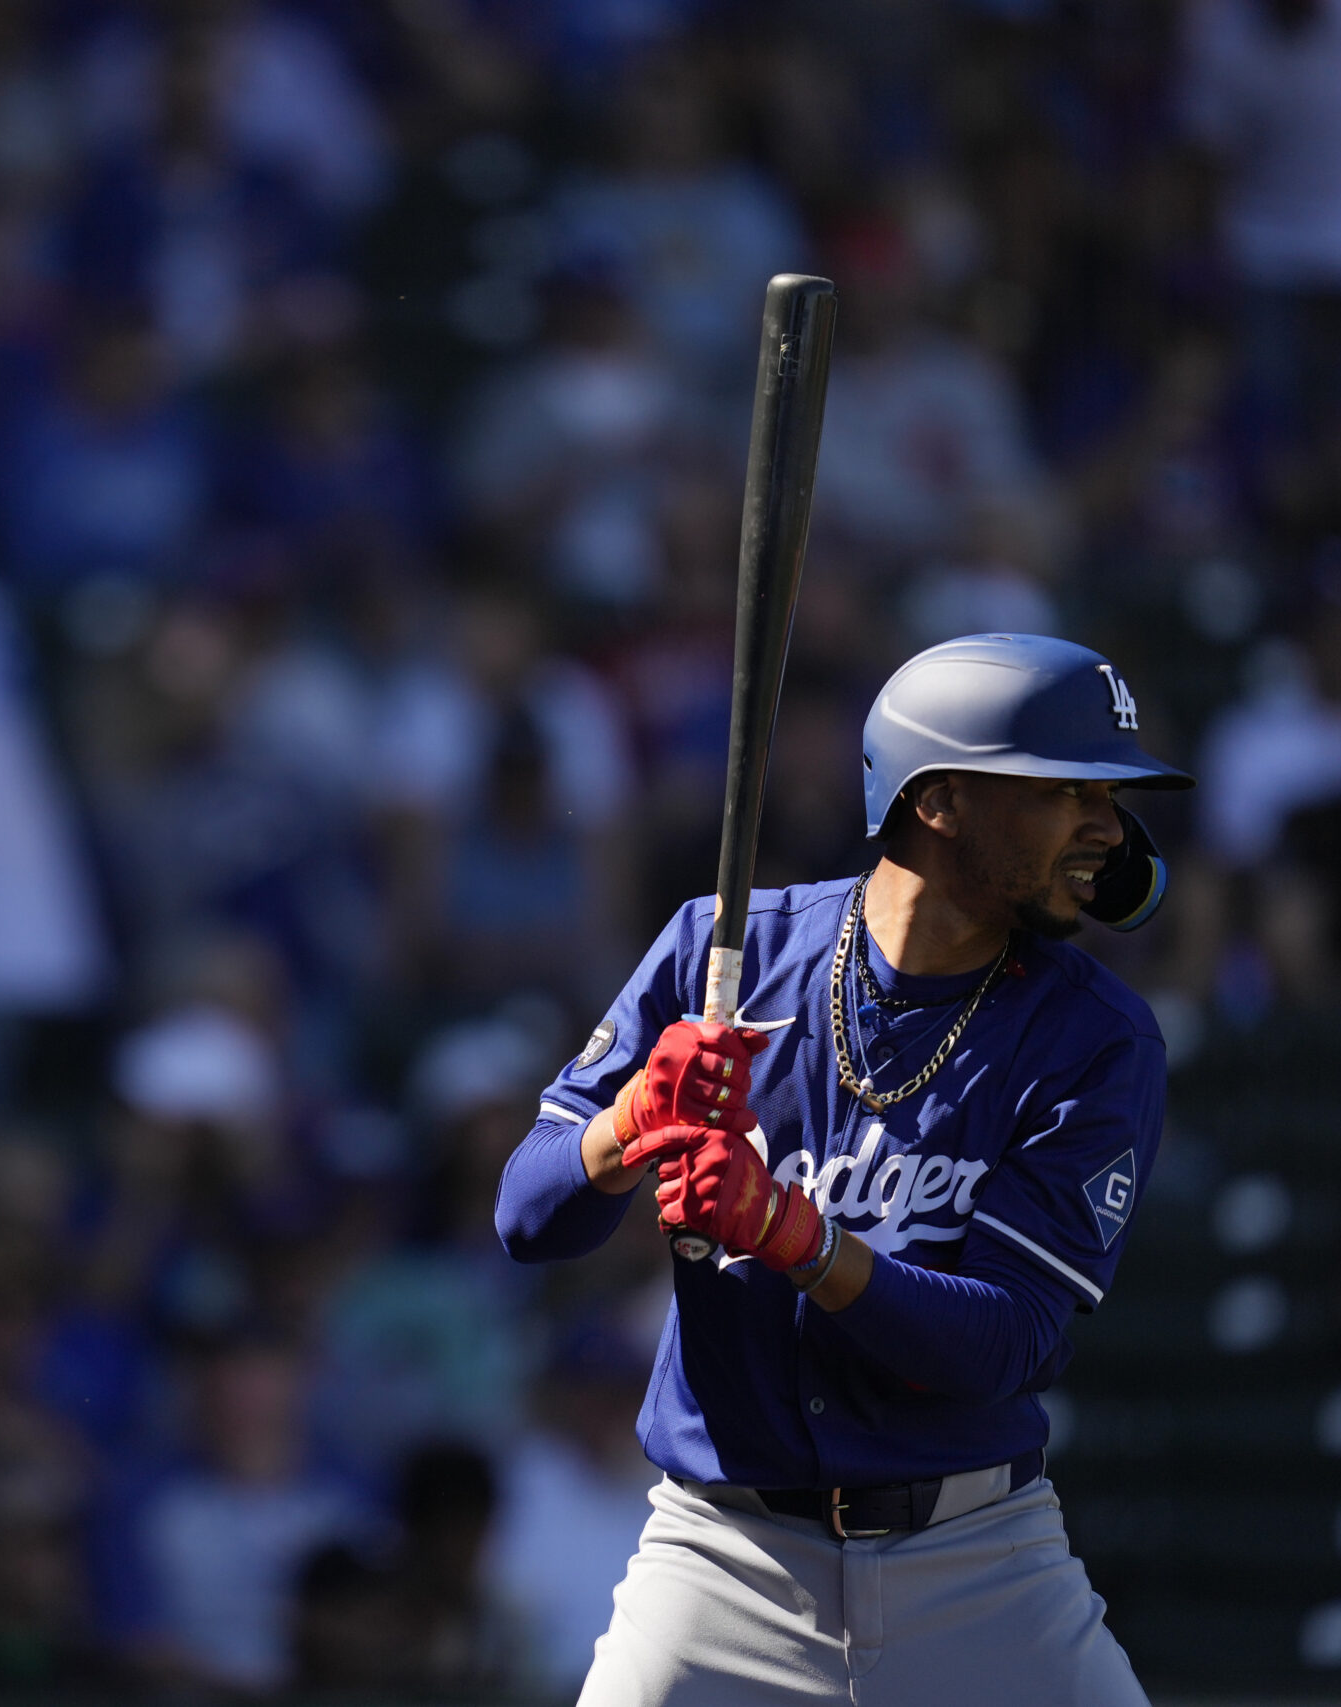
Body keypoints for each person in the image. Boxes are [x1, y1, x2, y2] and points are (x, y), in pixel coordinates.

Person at [495, 634, 1189, 1703]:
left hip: (979, 1563)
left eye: (1109, 797)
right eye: (1068, 792)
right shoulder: (720, 951)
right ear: (940, 800)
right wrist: (628, 1122)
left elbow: (1001, 1341)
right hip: (723, 1560)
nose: (1109, 827)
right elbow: (528, 1219)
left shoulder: (1094, 1038)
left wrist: (792, 1235)